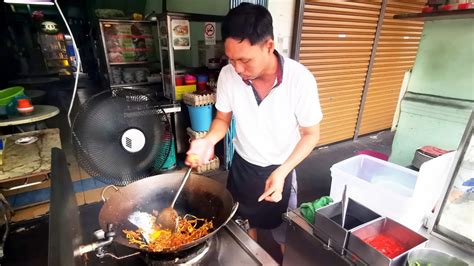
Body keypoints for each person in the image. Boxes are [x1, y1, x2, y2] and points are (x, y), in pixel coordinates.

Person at [185, 3, 322, 253]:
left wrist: (282, 172)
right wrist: (208, 140)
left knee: (282, 232)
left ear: (268, 46)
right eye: (231, 59)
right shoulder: (228, 75)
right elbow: (222, 120)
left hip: (282, 168)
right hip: (243, 166)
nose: (237, 68)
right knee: (243, 226)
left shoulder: (300, 80)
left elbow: (311, 134)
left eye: (244, 60)